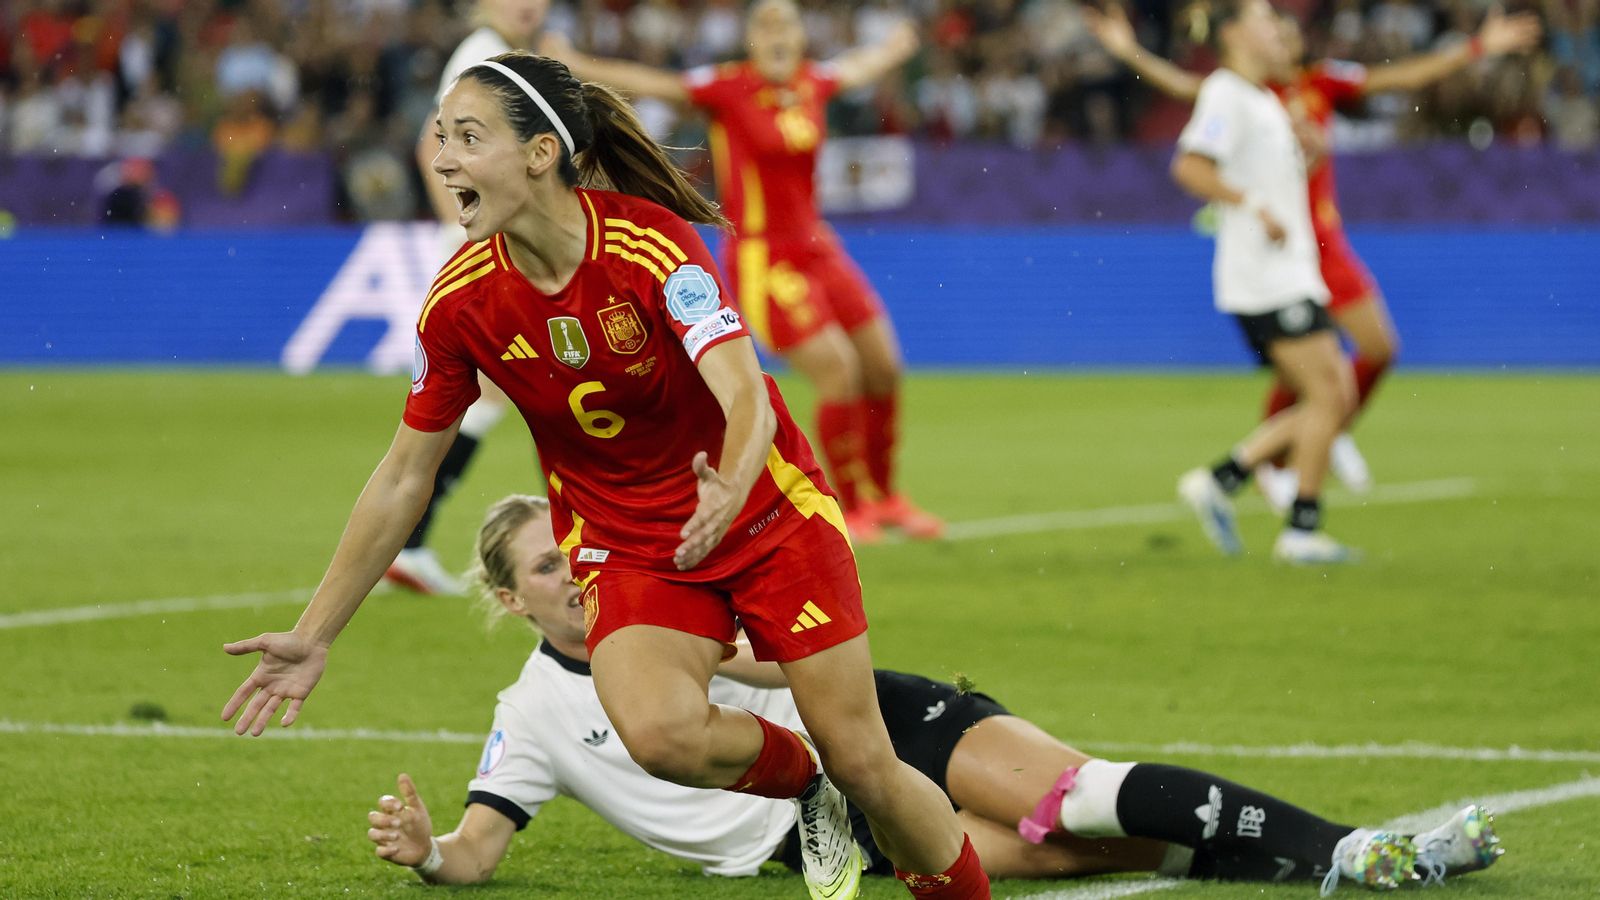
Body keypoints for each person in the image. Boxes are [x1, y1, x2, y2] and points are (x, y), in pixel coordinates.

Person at [221, 50, 991, 900]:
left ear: (540, 154)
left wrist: (733, 484)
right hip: (627, 544)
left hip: (767, 514)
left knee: (871, 766)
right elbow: (406, 475)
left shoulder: (647, 240)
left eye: (467, 138)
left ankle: (880, 815)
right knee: (661, 736)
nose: (442, 161)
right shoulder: (458, 304)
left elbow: (743, 390)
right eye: (440, 138)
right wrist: (316, 633)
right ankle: (808, 782)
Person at [361, 492, 1502, 895]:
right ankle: (1292, 856)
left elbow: (781, 656)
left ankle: (1358, 854)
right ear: (510, 601)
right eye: (546, 566)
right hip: (811, 834)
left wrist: (692, 650)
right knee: (1060, 855)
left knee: (1078, 799)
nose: (574, 571)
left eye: (578, 546)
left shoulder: (664, 610)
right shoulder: (531, 716)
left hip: (865, 721)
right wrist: (424, 853)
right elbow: (477, 850)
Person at [1088, 2, 1541, 510]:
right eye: (1272, 28)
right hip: (1286, 252)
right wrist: (1129, 52)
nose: (1283, 37)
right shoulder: (1249, 92)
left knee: (1356, 361)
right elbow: (1185, 96)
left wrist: (1478, 48)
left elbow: (1401, 77)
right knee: (1322, 376)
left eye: (1286, 30)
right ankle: (1293, 457)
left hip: (1319, 243)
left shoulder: (1316, 84)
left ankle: (1301, 441)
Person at [540, 0, 941, 544]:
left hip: (821, 248)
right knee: (838, 372)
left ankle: (886, 495)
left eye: (786, 25)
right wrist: (576, 61)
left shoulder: (812, 82)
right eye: (766, 25)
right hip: (764, 256)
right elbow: (654, 83)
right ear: (751, 38)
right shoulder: (727, 89)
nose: (777, 35)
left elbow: (857, 67)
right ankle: (853, 505)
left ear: (801, 36)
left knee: (884, 368)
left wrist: (895, 48)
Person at [1160, 0, 1365, 564]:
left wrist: (1304, 153)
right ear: (1233, 33)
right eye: (1264, 20)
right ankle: (1300, 528)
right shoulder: (1226, 92)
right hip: (1265, 276)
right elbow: (1191, 165)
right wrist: (1253, 203)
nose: (1277, 29)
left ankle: (1225, 479)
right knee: (1330, 393)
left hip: (1290, 271)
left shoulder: (1261, 100)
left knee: (1334, 395)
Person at [388, 0, 552, 595]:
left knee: (494, 397)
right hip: (494, 249)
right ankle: (584, 536)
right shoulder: (482, 54)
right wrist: (471, 235)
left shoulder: (505, 49)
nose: (530, 6)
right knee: (545, 383)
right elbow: (430, 148)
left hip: (497, 244)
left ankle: (411, 541)